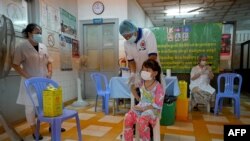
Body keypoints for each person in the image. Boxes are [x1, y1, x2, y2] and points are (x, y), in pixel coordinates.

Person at [12, 23, 59, 140]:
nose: (39, 34)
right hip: (30, 82)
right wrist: (28, 77)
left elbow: (49, 61)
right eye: (37, 32)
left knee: (48, 103)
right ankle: (34, 131)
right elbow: (15, 64)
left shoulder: (43, 46)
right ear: (29, 33)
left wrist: (50, 71)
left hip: (44, 81)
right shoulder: (21, 47)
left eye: (40, 32)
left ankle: (51, 126)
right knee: (31, 107)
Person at [119, 19, 164, 103]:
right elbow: (131, 61)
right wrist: (133, 74)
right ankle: (142, 111)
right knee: (141, 97)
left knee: (156, 98)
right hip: (140, 73)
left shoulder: (147, 34)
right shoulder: (126, 44)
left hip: (152, 72)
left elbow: (153, 56)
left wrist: (143, 73)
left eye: (129, 36)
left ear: (134, 30)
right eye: (125, 37)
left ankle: (154, 113)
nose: (128, 39)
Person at [123, 59, 164, 141]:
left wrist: (143, 108)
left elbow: (158, 104)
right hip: (141, 107)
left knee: (142, 121)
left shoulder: (158, 86)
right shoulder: (141, 82)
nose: (144, 71)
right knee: (127, 117)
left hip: (153, 110)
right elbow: (132, 88)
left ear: (155, 73)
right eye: (143, 69)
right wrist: (138, 99)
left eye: (147, 70)